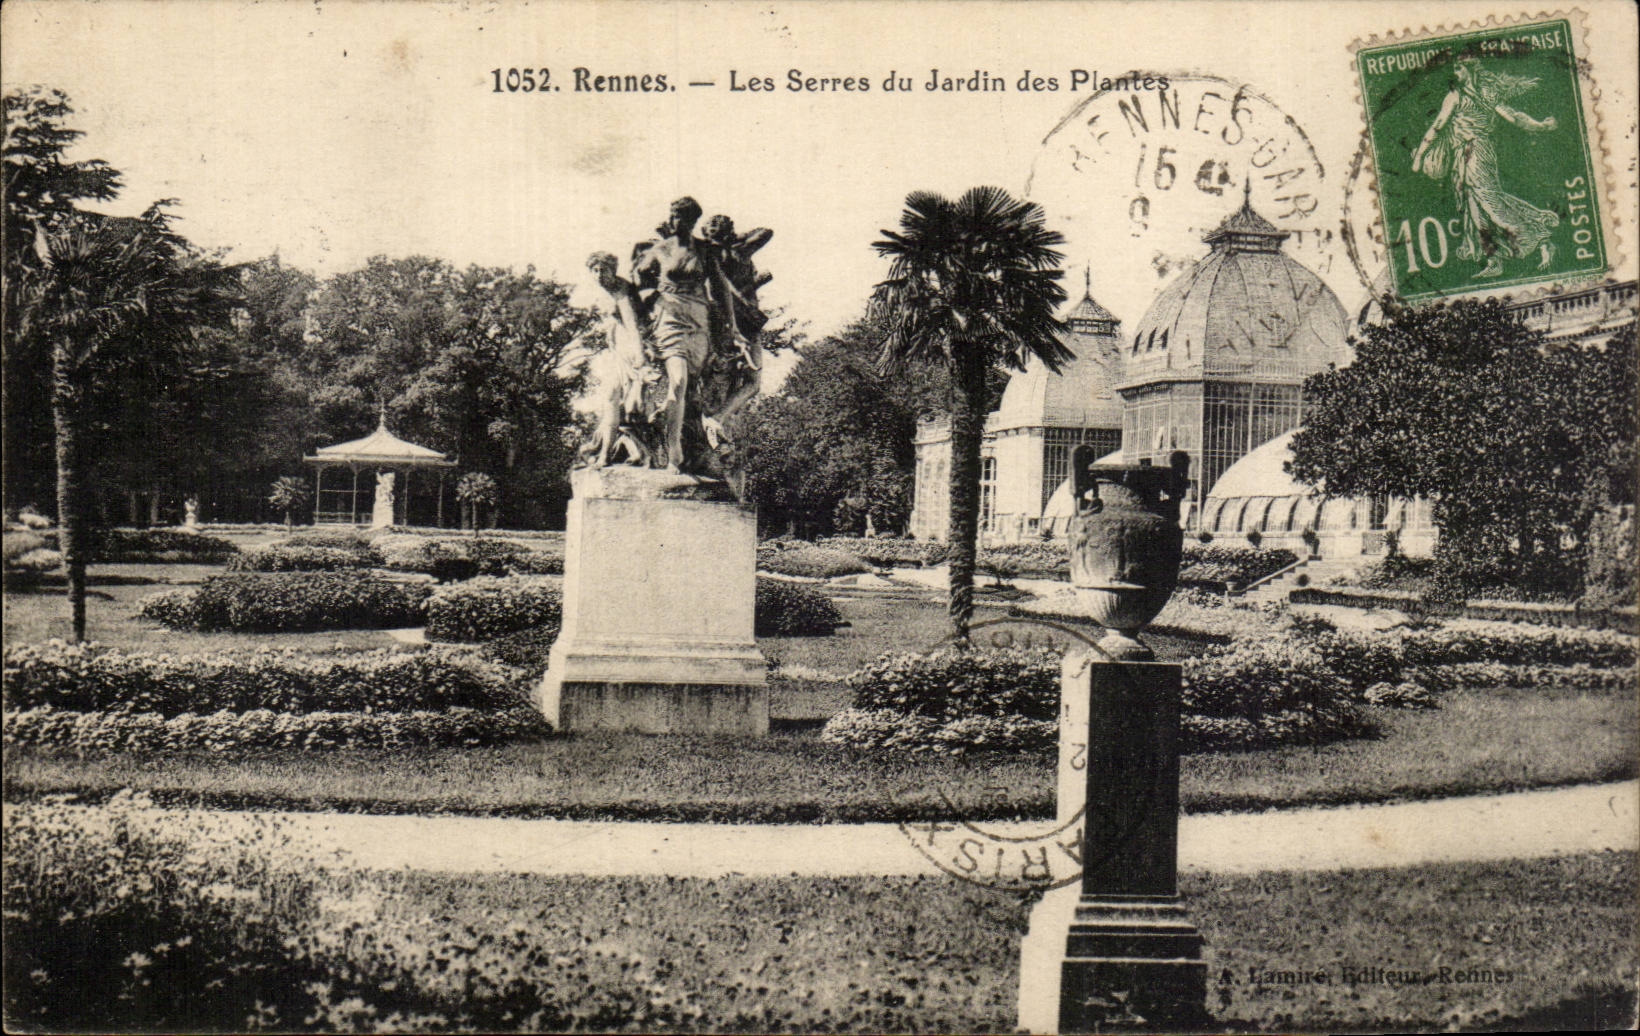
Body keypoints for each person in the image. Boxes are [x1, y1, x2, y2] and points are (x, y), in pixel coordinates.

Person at [1412, 56, 1560, 278]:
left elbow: (1514, 117)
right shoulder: (1460, 95)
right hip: (1462, 156)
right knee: (1475, 208)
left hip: (1478, 152)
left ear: (1470, 70)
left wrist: (1541, 126)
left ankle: (1540, 239)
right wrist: (1420, 156)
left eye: (1459, 68)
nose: (1456, 73)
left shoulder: (1468, 95)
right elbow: (1438, 126)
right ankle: (1494, 259)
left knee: (1492, 206)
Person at [632, 197, 712, 473]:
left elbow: (722, 290)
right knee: (678, 380)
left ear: (692, 220)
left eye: (680, 216)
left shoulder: (704, 250)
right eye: (672, 215)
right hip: (670, 318)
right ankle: (674, 447)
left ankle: (687, 444)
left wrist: (733, 328)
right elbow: (638, 280)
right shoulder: (659, 249)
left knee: (691, 387)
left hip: (699, 319)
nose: (674, 220)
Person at [581, 251, 656, 468]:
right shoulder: (606, 291)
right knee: (612, 400)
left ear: (613, 270)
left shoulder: (621, 290)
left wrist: (640, 355)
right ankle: (609, 453)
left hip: (631, 351)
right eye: (594, 271)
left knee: (621, 402)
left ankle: (610, 454)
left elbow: (632, 325)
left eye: (602, 270)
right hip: (619, 351)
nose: (598, 275)